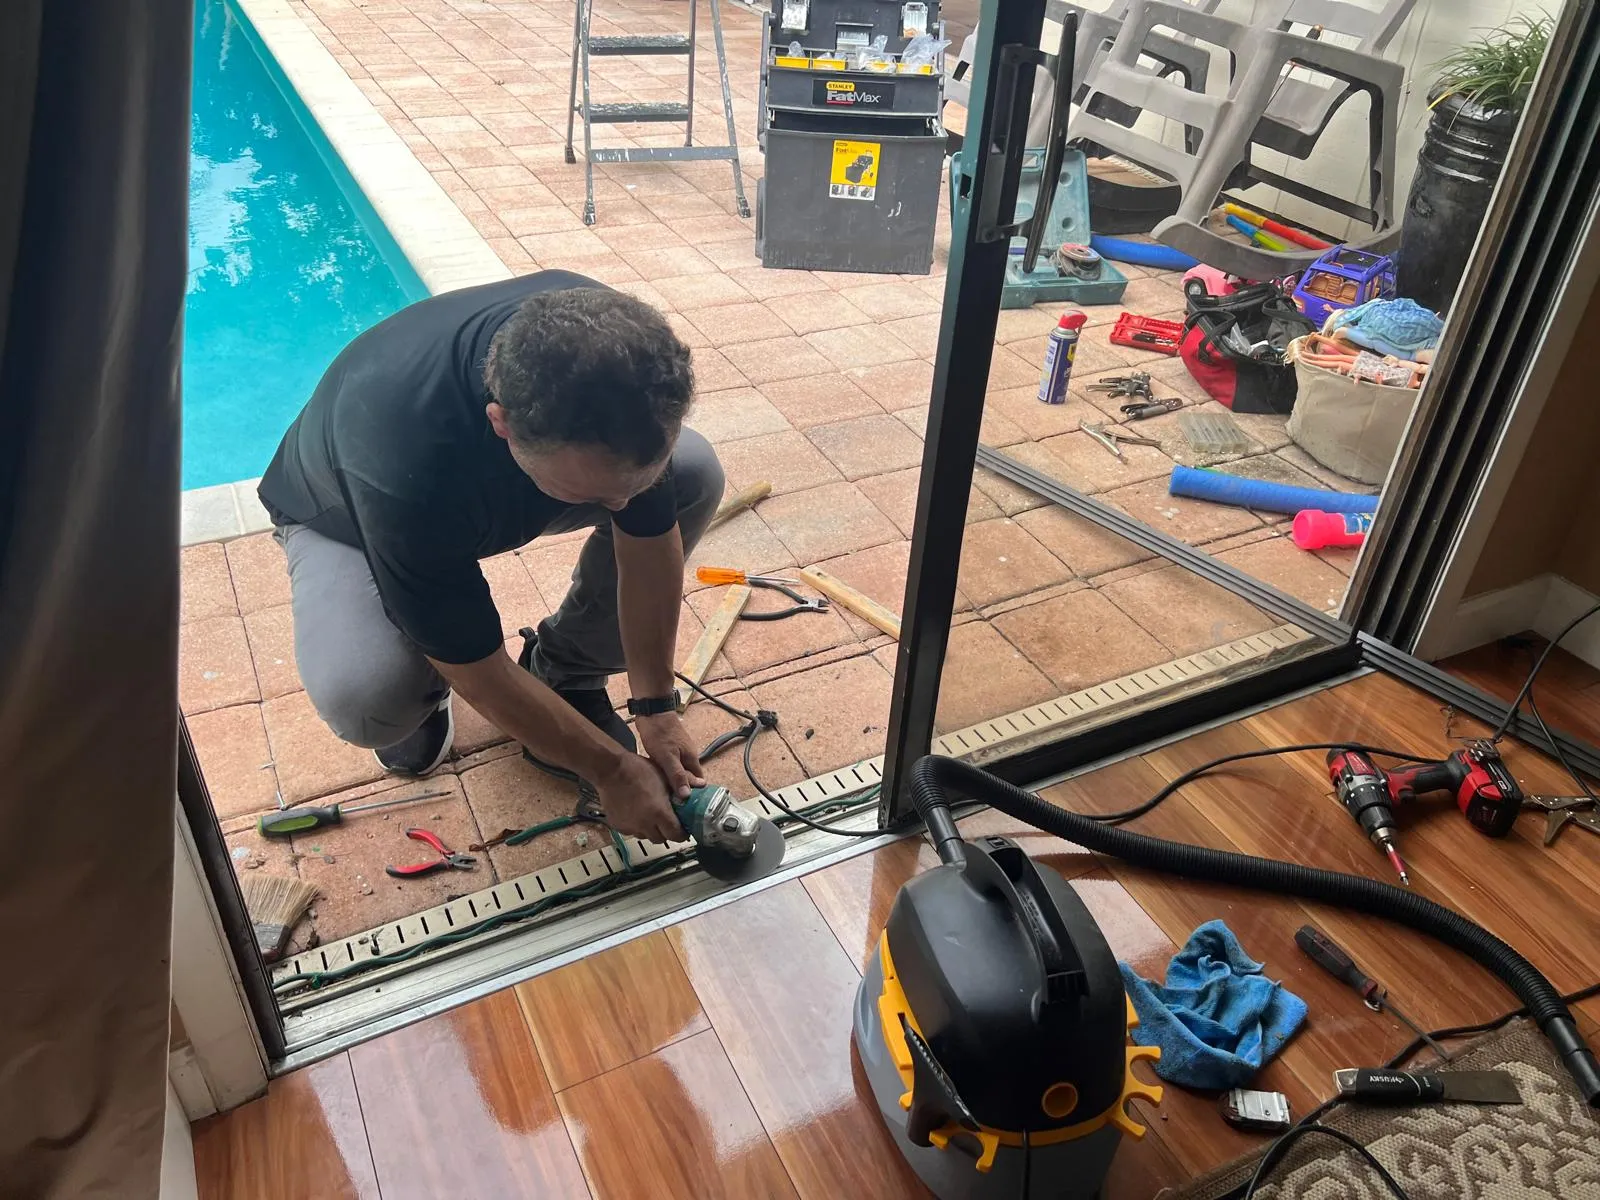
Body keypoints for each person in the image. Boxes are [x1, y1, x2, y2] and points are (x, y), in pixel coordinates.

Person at [257, 270, 724, 844]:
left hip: (494, 483)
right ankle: (420, 701)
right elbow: (477, 668)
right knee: (368, 696)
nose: (623, 506)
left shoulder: (623, 363)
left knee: (693, 476)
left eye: (632, 485)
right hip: (343, 515)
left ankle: (565, 674)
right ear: (500, 424)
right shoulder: (402, 461)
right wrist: (611, 771)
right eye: (601, 496)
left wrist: (655, 706)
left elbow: (648, 542)